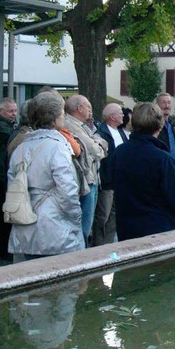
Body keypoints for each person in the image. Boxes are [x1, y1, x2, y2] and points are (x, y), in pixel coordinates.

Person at [8, 92, 84, 262]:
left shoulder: (21, 147)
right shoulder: (57, 147)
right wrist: (76, 219)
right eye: (63, 114)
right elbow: (68, 191)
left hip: (24, 224)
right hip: (56, 228)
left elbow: (12, 186)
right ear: (56, 118)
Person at [114, 102, 175, 240]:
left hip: (127, 228)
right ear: (160, 126)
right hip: (159, 229)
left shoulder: (119, 152)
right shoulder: (163, 159)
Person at [64, 94, 108, 244]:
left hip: (93, 178)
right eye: (88, 106)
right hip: (86, 181)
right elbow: (96, 151)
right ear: (79, 108)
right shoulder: (71, 125)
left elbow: (101, 143)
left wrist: (98, 143)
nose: (91, 110)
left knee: (88, 224)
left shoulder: (85, 126)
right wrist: (99, 144)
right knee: (84, 225)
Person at [92, 103, 128, 246]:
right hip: (108, 182)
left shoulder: (120, 132)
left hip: (119, 182)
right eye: (120, 113)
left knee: (114, 217)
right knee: (103, 217)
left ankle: (109, 245)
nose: (123, 116)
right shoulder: (101, 133)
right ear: (112, 117)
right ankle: (99, 247)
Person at [0, 97, 18, 260]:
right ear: (1, 112)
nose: (13, 114)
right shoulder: (0, 127)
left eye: (15, 111)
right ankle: (3, 252)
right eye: (10, 111)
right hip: (0, 176)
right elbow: (12, 137)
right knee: (2, 214)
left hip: (2, 174)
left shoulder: (7, 125)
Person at [155, 92, 175, 177]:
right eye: (163, 102)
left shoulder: (173, 123)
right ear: (157, 104)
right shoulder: (154, 125)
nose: (167, 105)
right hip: (162, 168)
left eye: (169, 102)